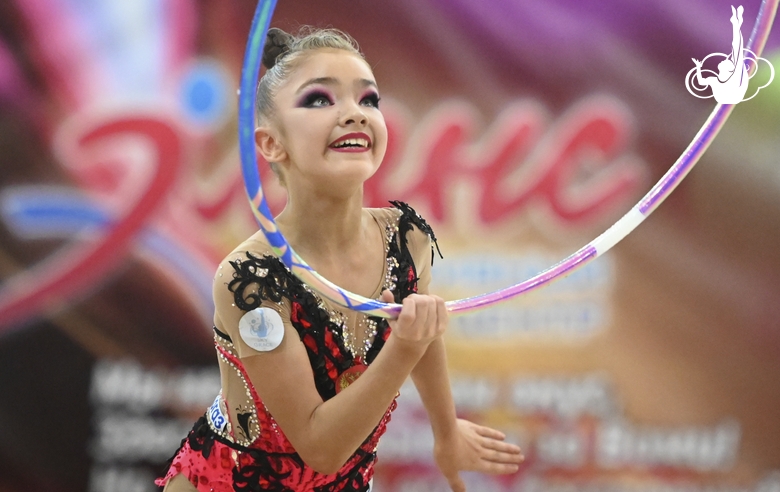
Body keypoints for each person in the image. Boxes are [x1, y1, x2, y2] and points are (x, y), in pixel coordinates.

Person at [156, 27, 524, 492]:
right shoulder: (250, 278)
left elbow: (422, 330)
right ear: (271, 144)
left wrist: (446, 431)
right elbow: (321, 448)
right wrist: (403, 348)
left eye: (368, 100)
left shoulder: (404, 238)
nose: (354, 113)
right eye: (319, 100)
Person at [692, 5, 748, 104]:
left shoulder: (720, 79)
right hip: (730, 96)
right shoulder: (720, 79)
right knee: (737, 53)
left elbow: (737, 47)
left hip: (731, 95)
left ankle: (736, 23)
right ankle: (736, 23)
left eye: (726, 61)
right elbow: (701, 82)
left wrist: (698, 67)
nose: (725, 59)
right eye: (728, 61)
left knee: (737, 51)